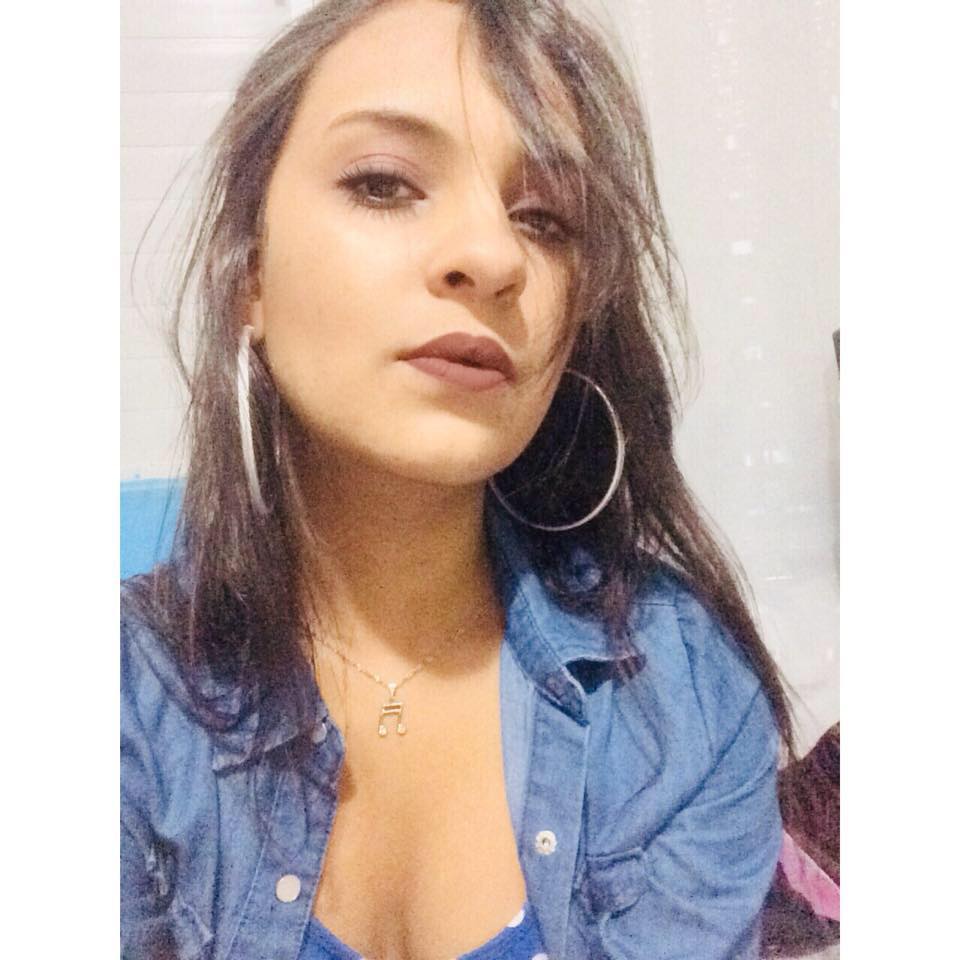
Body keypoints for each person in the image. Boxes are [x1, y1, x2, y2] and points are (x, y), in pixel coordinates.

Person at [120, 1, 795, 957]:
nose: (493, 256)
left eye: (544, 219)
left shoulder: (682, 699)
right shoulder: (113, 709)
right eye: (385, 183)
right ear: (250, 279)